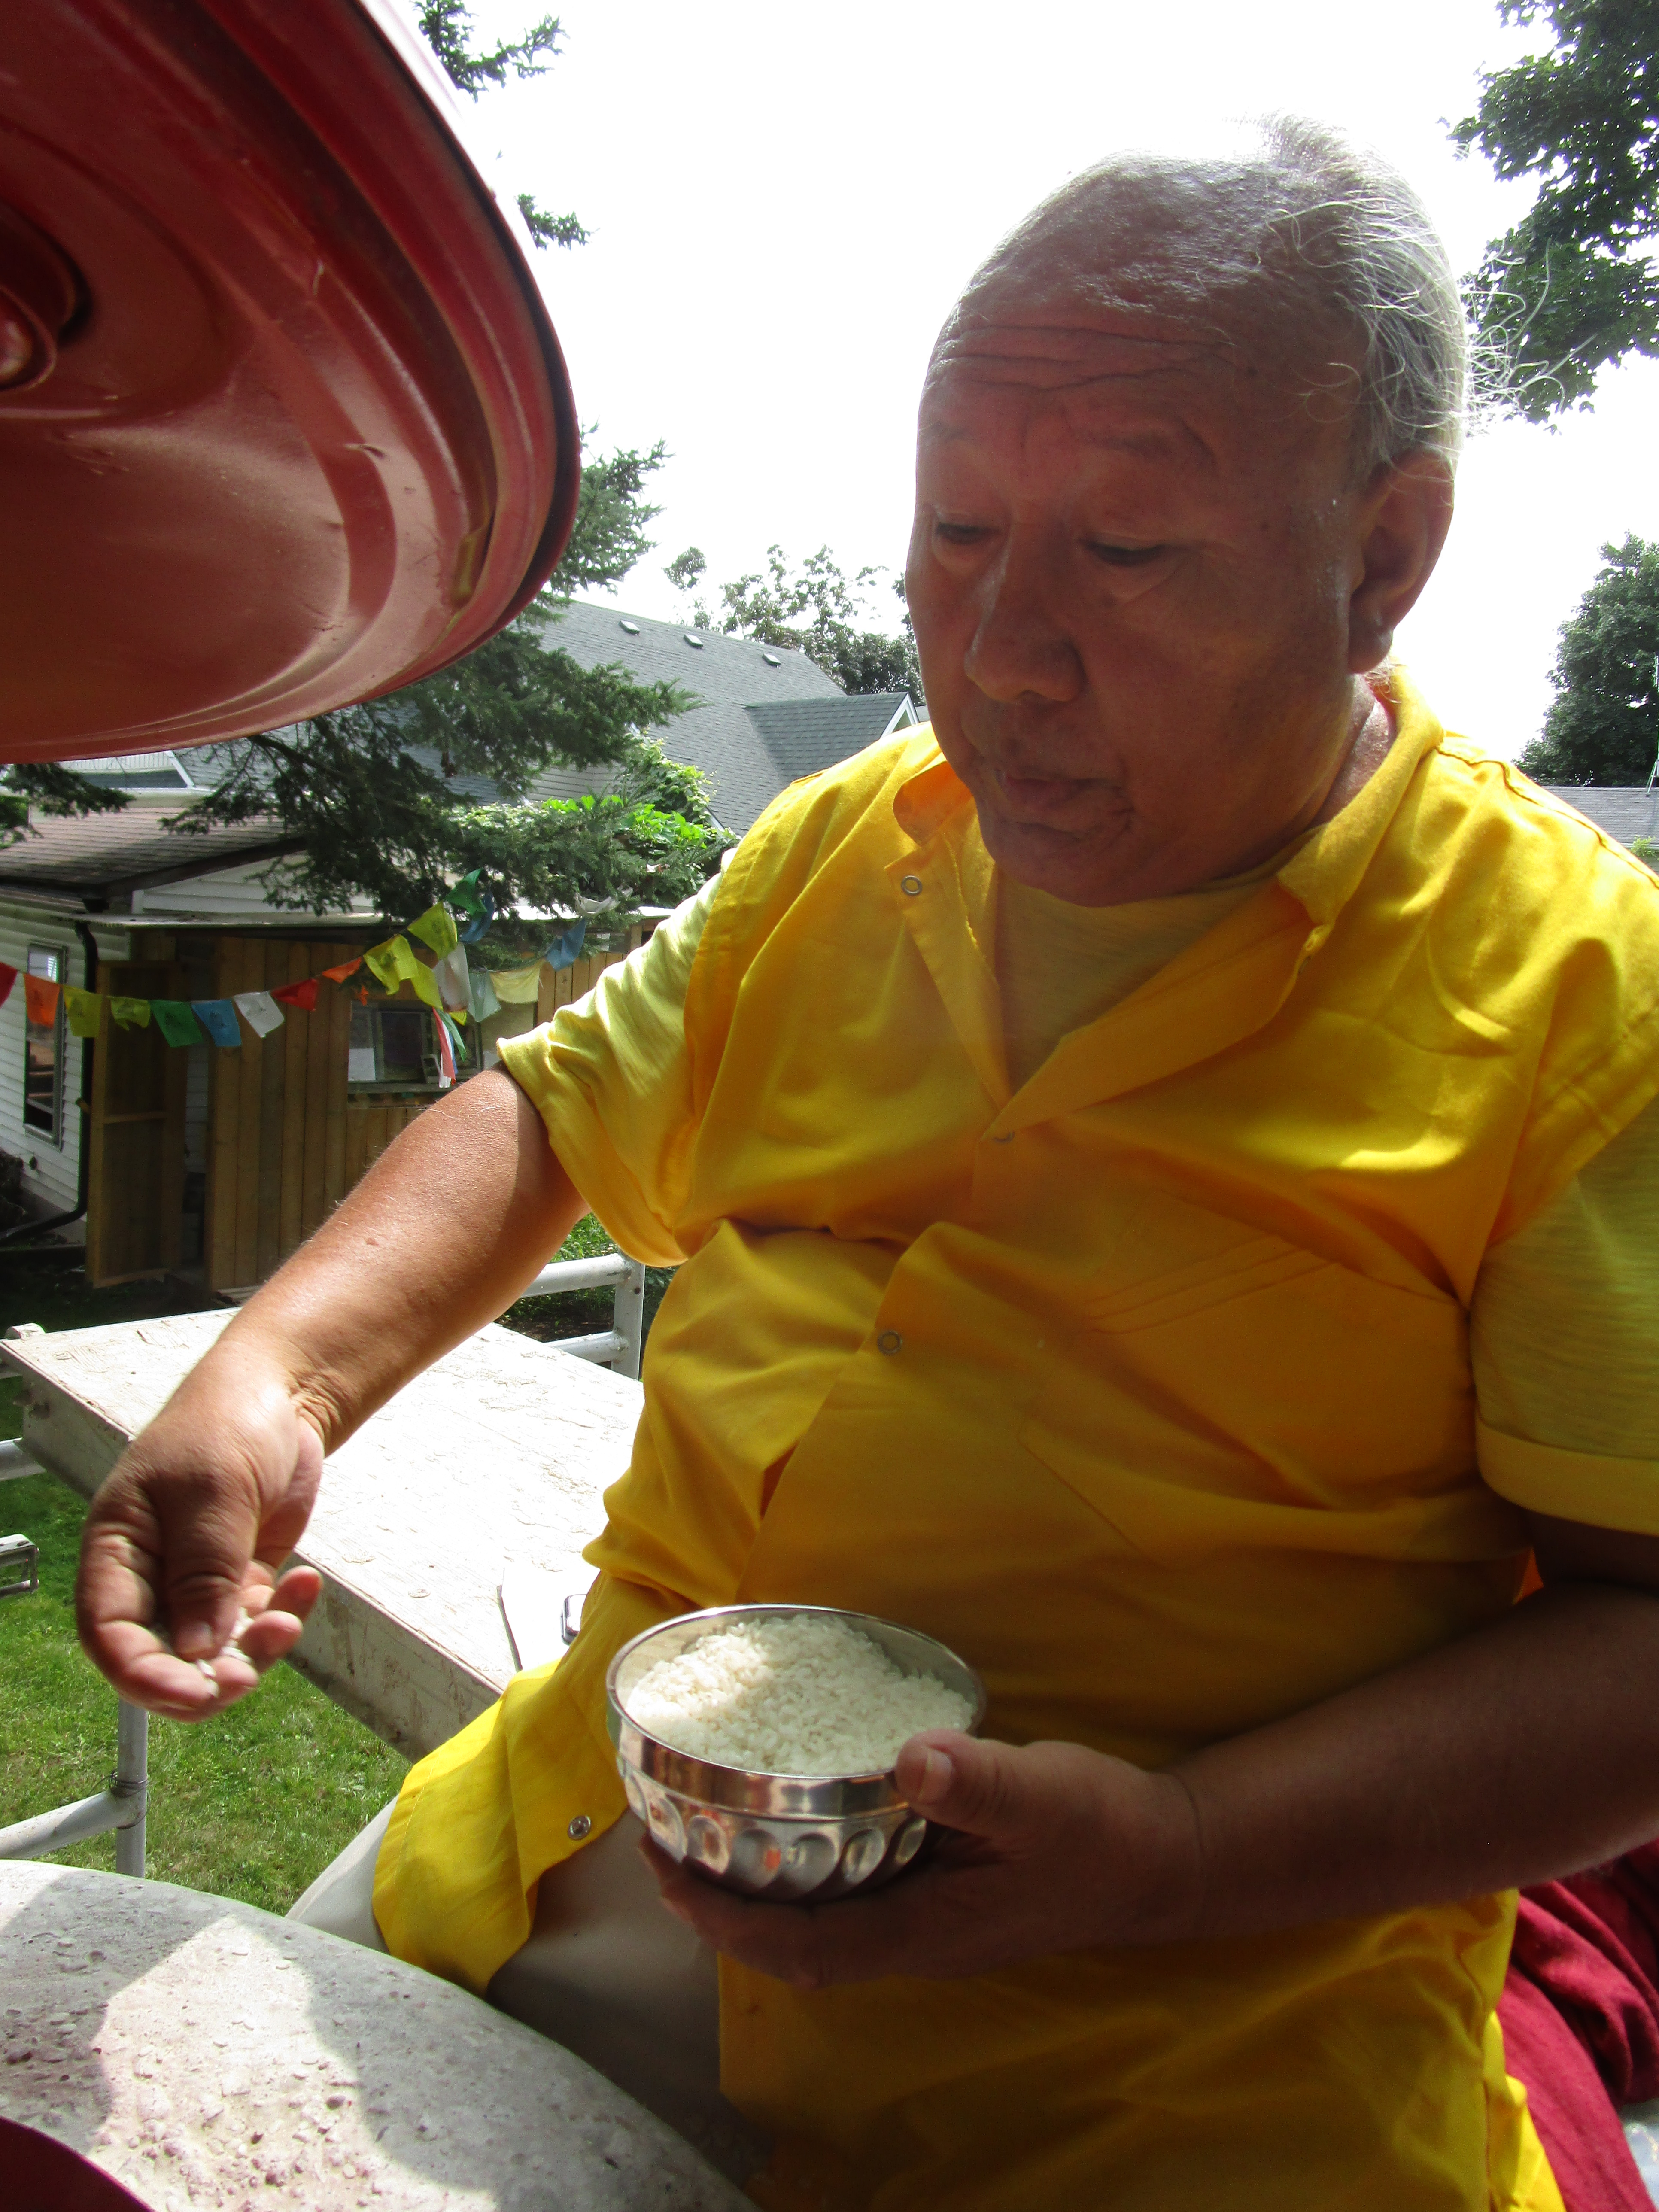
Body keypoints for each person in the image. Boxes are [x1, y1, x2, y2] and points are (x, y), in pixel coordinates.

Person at [75, 118, 1659, 2212]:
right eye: (957, 531)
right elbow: (553, 1110)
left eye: (1126, 550)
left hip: (1159, 2055)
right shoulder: (852, 836)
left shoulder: (1583, 1004)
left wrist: (1184, 1851)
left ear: (1384, 553)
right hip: (573, 1837)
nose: (1001, 649)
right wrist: (279, 1376)